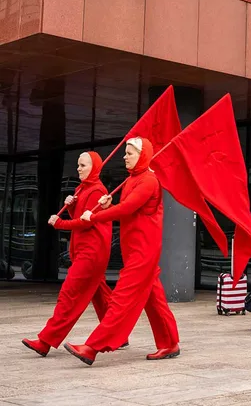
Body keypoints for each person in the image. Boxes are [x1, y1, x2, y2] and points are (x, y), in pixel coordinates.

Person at [64, 138, 180, 365]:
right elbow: (129, 210)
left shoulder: (148, 181)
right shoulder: (133, 180)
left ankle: (92, 347)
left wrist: (95, 215)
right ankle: (169, 343)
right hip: (135, 250)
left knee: (121, 298)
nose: (125, 157)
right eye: (125, 153)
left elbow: (127, 208)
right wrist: (108, 205)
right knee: (154, 299)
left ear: (142, 155)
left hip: (143, 253)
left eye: (129, 153)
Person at [22, 152, 124, 356]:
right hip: (86, 252)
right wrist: (72, 206)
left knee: (69, 295)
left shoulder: (96, 191)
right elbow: (79, 216)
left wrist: (60, 224)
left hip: (91, 253)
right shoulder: (83, 188)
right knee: (101, 295)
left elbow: (86, 224)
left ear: (94, 168)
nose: (78, 168)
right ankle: (118, 334)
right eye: (78, 165)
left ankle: (46, 341)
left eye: (83, 165)